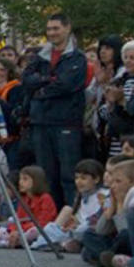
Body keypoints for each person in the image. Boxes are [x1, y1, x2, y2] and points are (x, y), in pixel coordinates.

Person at [22, 13, 88, 210]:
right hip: (41, 122)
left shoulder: (77, 58)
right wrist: (48, 81)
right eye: (49, 29)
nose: (52, 33)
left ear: (67, 28)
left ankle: (72, 218)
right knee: (46, 176)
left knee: (69, 176)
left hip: (66, 122)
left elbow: (66, 84)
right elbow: (26, 80)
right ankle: (51, 218)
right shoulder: (39, 57)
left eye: (56, 29)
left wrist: (40, 87)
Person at [32, 158, 109, 253]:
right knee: (50, 227)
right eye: (77, 178)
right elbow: (78, 218)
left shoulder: (104, 195)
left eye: (83, 178)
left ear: (96, 179)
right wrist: (70, 226)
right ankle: (49, 243)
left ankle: (57, 243)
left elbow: (96, 219)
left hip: (90, 229)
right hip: (74, 231)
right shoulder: (79, 197)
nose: (78, 182)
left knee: (83, 229)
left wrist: (77, 227)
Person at [81, 158, 134, 267]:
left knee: (124, 236)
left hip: (132, 243)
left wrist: (120, 205)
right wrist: (110, 210)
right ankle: (109, 258)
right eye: (112, 182)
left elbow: (124, 230)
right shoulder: (112, 197)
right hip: (114, 244)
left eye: (118, 181)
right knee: (89, 234)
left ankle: (102, 257)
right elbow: (101, 230)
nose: (113, 186)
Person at [0, 165, 57, 248]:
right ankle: (8, 240)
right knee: (3, 227)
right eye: (20, 179)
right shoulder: (24, 199)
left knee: (35, 231)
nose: (20, 182)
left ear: (36, 181)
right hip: (23, 230)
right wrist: (14, 230)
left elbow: (43, 222)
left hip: (37, 229)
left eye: (25, 179)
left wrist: (21, 230)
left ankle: (8, 242)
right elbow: (18, 219)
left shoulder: (45, 198)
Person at [0, 57, 24, 170]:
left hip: (12, 139)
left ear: (9, 71)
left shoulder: (16, 88)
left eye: (2, 70)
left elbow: (11, 112)